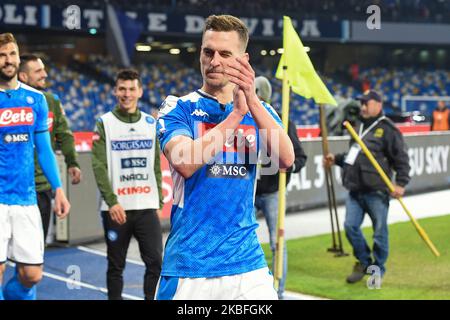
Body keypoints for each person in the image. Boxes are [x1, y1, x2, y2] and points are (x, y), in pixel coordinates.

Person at [155, 15, 294, 300]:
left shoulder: (260, 110)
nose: (214, 61)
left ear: (243, 61)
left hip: (247, 265)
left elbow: (286, 159)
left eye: (225, 54)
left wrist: (252, 102)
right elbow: (184, 162)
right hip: (190, 265)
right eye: (208, 52)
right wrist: (235, 115)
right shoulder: (177, 107)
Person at [0, 33, 70, 300]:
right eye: (3, 55)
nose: (8, 60)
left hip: (26, 199)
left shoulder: (36, 100)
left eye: (12, 54)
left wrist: (59, 189)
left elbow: (44, 150)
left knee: (31, 275)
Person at [323, 89, 410, 284]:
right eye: (361, 103)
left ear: (378, 105)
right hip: (355, 189)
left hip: (377, 191)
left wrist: (401, 183)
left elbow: (401, 158)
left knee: (379, 232)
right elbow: (353, 156)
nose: (362, 106)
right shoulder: (358, 126)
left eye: (366, 103)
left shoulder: (388, 129)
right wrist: (336, 159)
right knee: (350, 227)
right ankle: (364, 262)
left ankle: (377, 269)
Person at [92, 69, 163, 300]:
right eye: (122, 88)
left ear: (140, 92)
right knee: (116, 267)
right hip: (116, 209)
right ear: (115, 91)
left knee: (155, 263)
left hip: (146, 206)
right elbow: (98, 165)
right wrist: (112, 202)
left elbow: (154, 164)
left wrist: (158, 199)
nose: (127, 94)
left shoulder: (151, 123)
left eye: (132, 89)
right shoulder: (104, 122)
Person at [254, 76, 307, 299]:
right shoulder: (242, 117)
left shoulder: (281, 119)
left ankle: (279, 293)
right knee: (240, 241)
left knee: (278, 244)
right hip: (245, 192)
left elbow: (299, 157)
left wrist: (288, 166)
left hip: (273, 191)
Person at [18, 54, 81, 241]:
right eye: (38, 71)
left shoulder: (51, 101)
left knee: (36, 251)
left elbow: (64, 134)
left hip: (42, 187)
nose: (45, 74)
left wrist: (72, 162)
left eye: (44, 69)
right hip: (15, 187)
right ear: (23, 76)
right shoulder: (8, 100)